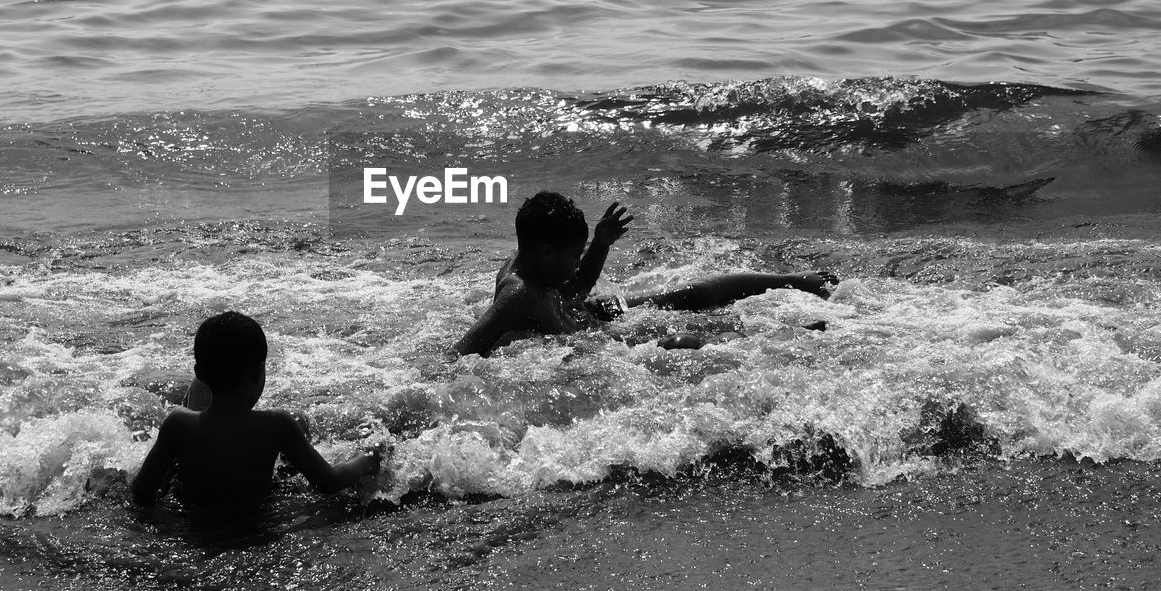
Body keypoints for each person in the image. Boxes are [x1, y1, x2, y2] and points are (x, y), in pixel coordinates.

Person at [454, 192, 836, 357]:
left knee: (689, 295)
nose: (577, 261)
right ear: (546, 252)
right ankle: (777, 339)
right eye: (575, 255)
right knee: (679, 343)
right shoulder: (517, 293)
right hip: (594, 335)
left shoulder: (538, 267)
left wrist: (600, 244)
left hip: (593, 316)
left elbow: (577, 287)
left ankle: (794, 279)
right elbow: (460, 351)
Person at [131, 311, 380, 510]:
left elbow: (141, 492)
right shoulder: (276, 425)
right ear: (257, 374)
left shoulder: (177, 424)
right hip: (256, 527)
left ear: (198, 374)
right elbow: (330, 482)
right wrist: (370, 459)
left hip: (196, 528)